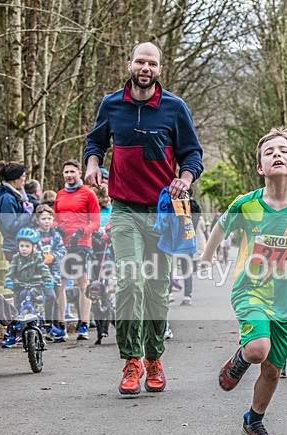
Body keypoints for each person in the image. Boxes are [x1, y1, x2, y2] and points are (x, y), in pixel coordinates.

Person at [84, 41, 204, 395]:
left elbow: (192, 154)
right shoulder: (112, 104)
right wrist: (93, 162)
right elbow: (95, 143)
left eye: (152, 63)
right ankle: (131, 360)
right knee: (130, 281)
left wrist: (185, 178)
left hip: (162, 212)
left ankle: (154, 357)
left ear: (159, 69)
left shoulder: (174, 108)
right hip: (123, 209)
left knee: (156, 289)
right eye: (140, 61)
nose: (145, 68)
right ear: (130, 64)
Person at [201, 127, 287, 435]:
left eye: (283, 150)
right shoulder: (247, 204)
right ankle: (240, 361)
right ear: (260, 167)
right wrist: (207, 256)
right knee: (259, 349)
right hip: (252, 292)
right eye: (269, 151)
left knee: (272, 372)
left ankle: (253, 421)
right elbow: (220, 226)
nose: (277, 154)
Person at [54, 159, 100, 341]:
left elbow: (96, 222)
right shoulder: (60, 195)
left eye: (72, 172)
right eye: (66, 172)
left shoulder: (88, 194)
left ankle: (84, 324)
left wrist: (82, 231)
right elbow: (56, 218)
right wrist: (56, 227)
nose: (69, 175)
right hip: (62, 245)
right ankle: (61, 325)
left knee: (83, 285)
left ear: (79, 173)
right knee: (61, 284)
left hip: (82, 244)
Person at [2, 227, 56, 348]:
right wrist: (9, 281)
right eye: (22, 246)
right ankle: (11, 334)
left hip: (35, 286)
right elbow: (10, 272)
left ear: (34, 247)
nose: (24, 249)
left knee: (35, 297)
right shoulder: (16, 258)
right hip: (20, 287)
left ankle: (44, 326)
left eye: (27, 246)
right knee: (14, 311)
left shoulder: (37, 258)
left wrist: (48, 281)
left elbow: (45, 270)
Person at [34, 204, 67, 342]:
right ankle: (38, 326)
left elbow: (62, 250)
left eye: (49, 218)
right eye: (43, 219)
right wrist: (39, 257)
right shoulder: (34, 235)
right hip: (37, 273)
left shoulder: (56, 235)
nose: (47, 221)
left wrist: (53, 256)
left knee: (53, 298)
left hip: (54, 272)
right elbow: (29, 250)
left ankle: (52, 326)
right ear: (37, 220)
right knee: (41, 298)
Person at [0, 161, 35, 261]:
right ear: (16, 179)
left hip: (19, 245)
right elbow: (10, 226)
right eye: (23, 176)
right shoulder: (7, 199)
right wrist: (27, 213)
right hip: (13, 247)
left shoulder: (16, 195)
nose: (25, 179)